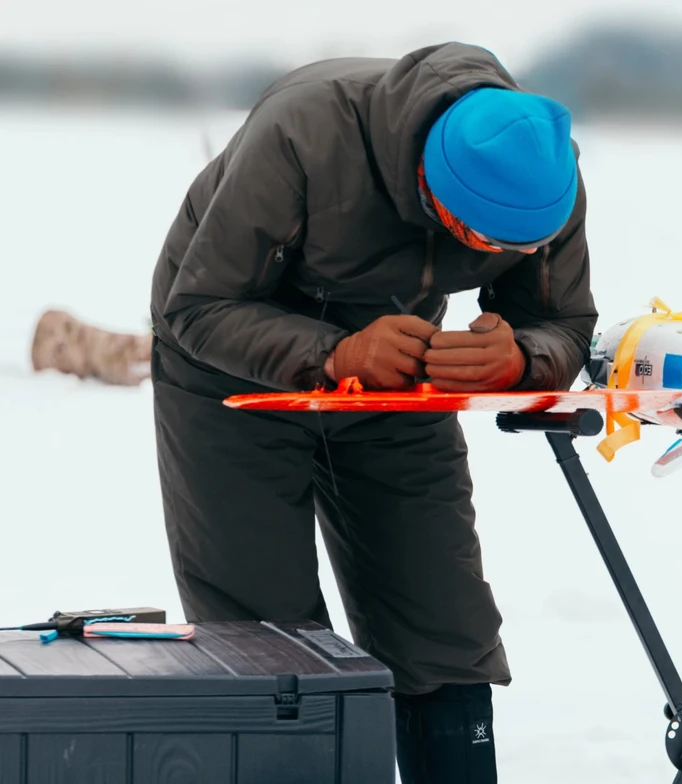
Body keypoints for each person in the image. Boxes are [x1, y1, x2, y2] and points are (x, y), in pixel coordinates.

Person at [148, 42, 597, 782]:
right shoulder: (303, 135)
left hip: (398, 380)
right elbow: (197, 307)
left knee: (442, 624)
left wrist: (519, 355)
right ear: (430, 183)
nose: (493, 252)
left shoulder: (546, 176)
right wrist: (336, 354)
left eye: (513, 245)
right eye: (479, 238)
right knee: (268, 640)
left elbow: (564, 321)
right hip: (228, 374)